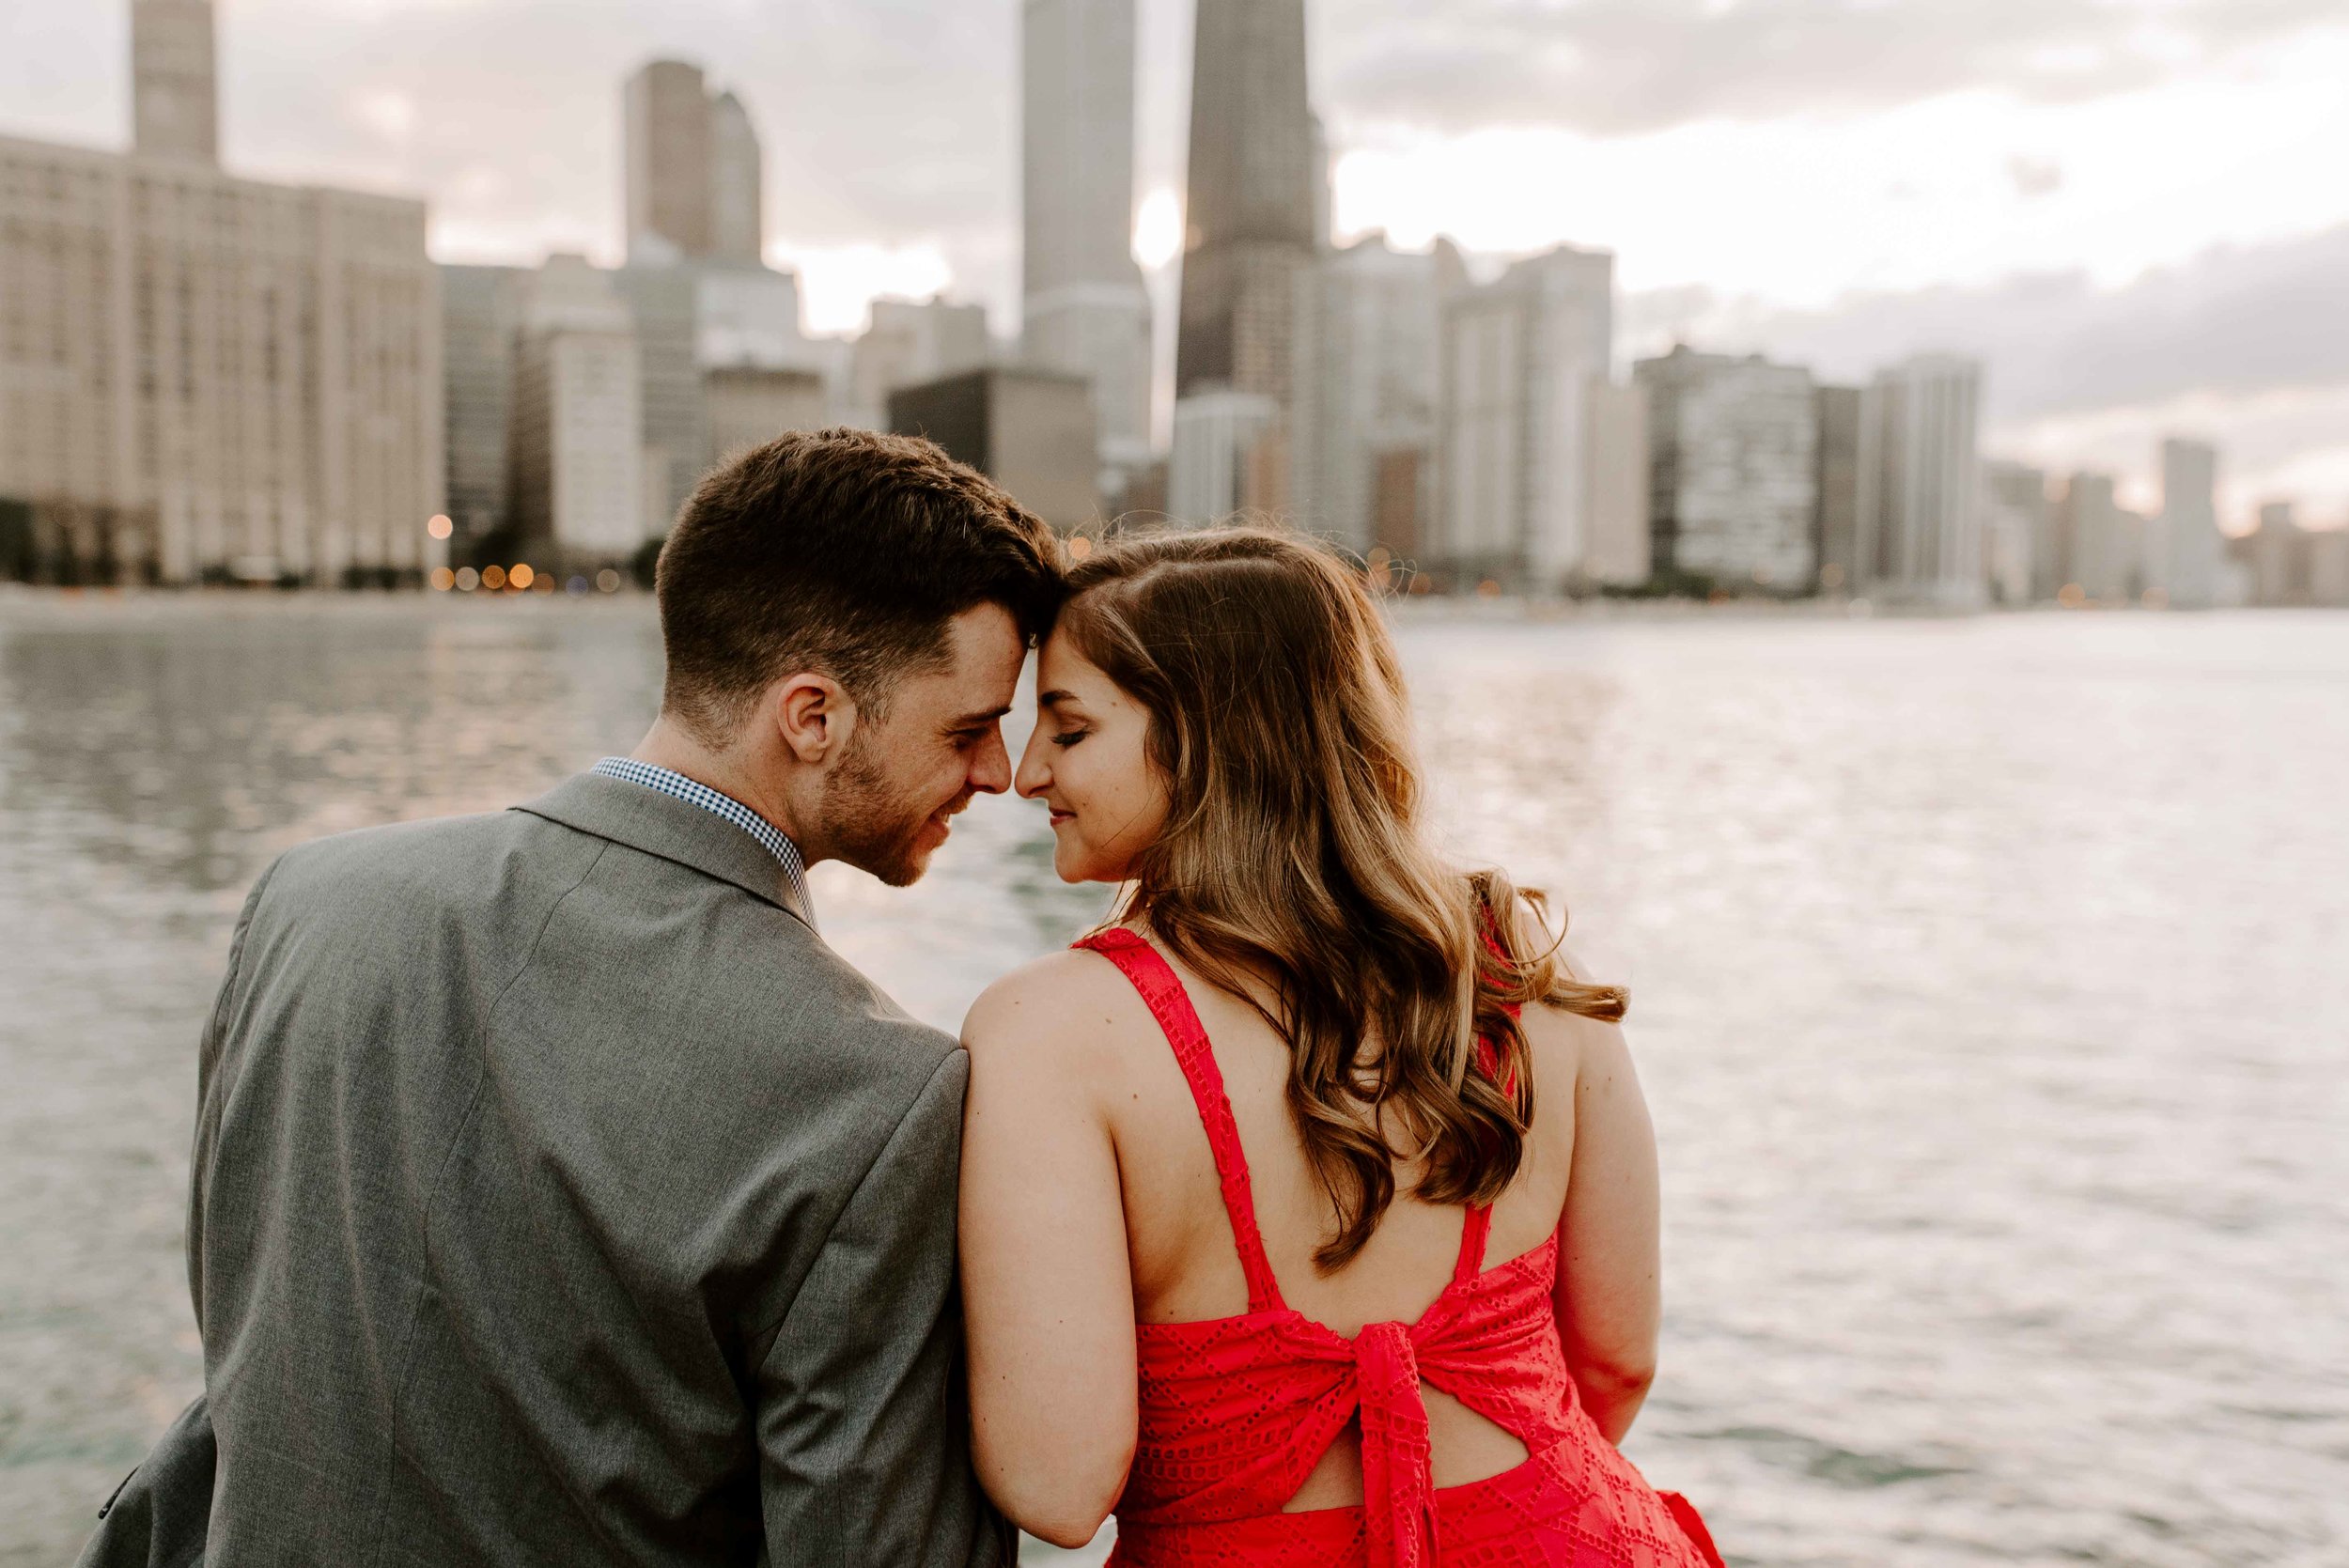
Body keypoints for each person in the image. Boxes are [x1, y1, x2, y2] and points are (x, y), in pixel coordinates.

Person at [79, 429, 1060, 1567]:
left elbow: (241, 1312)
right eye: (971, 726)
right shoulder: (882, 1097)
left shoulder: (307, 901)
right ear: (812, 716)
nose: (1000, 771)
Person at [957, 528, 1723, 1567]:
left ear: (1213, 737)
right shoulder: (1525, 970)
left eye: (1070, 727)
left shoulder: (1049, 1031)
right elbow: (1617, 1364)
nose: (1026, 772)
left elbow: (1058, 1483)